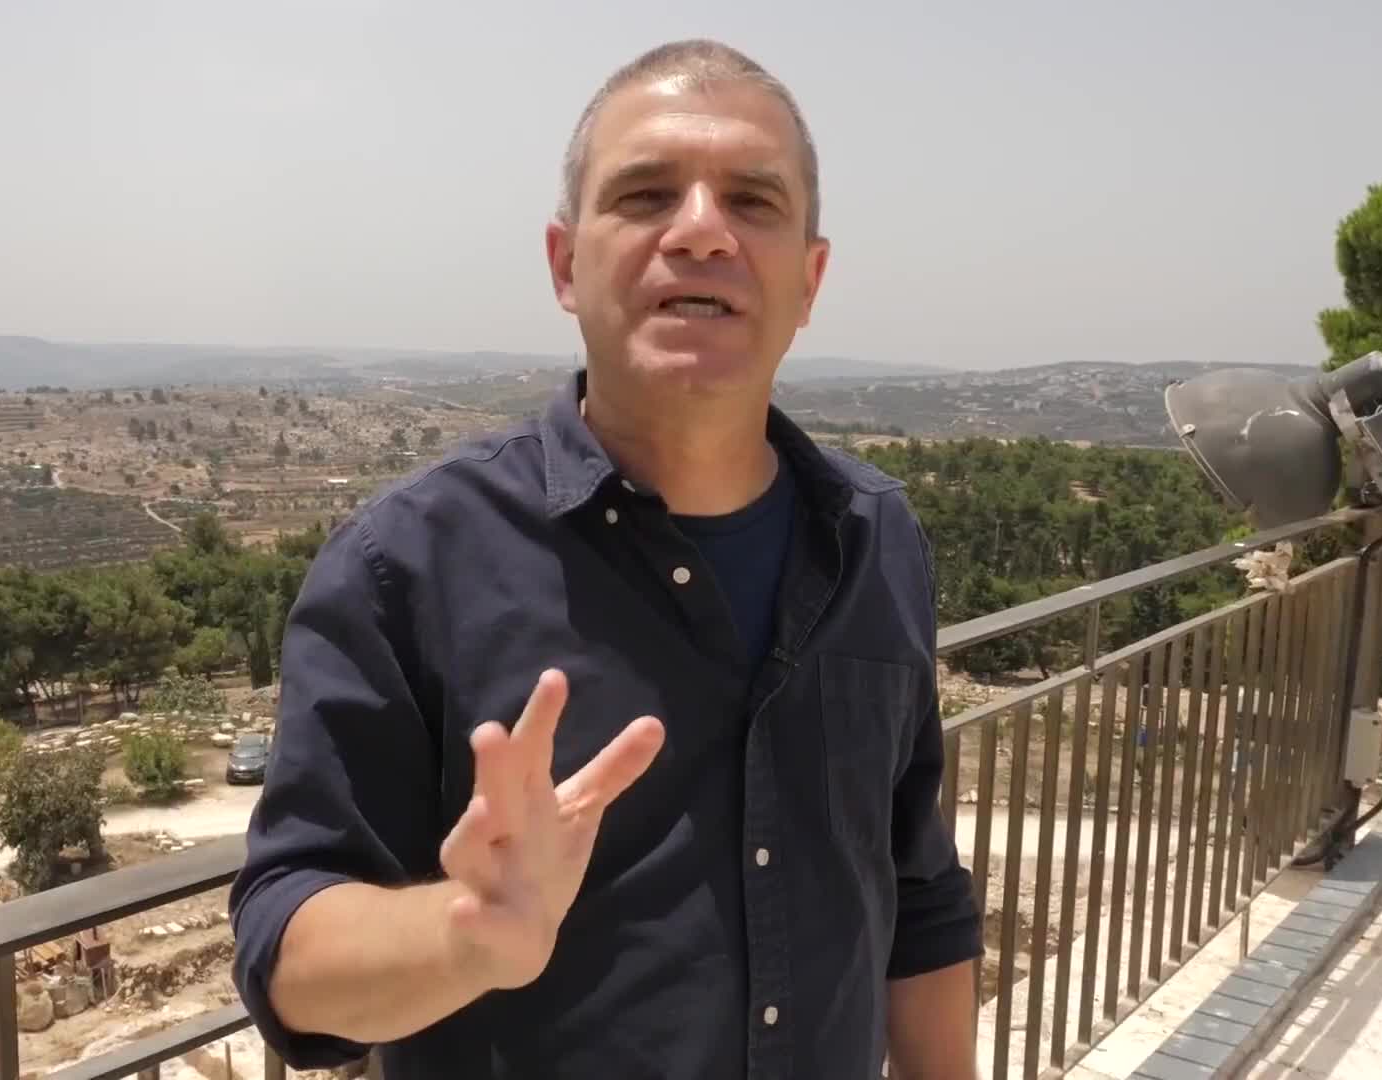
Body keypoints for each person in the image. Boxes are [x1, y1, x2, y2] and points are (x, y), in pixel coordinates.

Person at [229, 39, 982, 1079]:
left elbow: (918, 889)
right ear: (563, 265)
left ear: (809, 282)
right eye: (645, 194)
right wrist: (464, 933)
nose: (703, 230)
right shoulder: (404, 566)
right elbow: (286, 953)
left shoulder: (877, 537)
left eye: (754, 201)